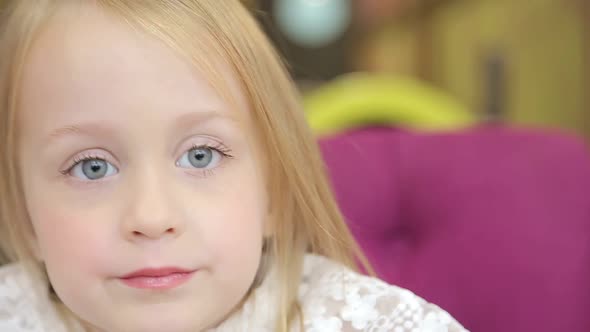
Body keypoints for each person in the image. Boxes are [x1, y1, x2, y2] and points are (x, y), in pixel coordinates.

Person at [0, 1, 468, 331]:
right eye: (92, 168)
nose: (152, 217)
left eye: (200, 155)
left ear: (274, 194)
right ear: (23, 213)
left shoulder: (356, 323)